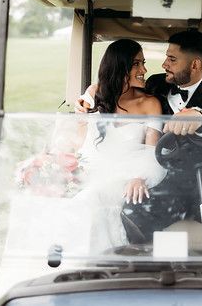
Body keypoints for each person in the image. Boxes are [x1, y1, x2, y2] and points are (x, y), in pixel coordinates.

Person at [76, 30, 202, 256]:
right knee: (133, 210)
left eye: (172, 59)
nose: (164, 64)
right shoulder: (158, 84)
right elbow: (117, 84)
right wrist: (91, 92)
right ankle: (148, 272)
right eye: (166, 57)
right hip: (169, 176)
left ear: (195, 64)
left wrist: (200, 115)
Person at [74, 38, 166, 254]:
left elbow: (152, 152)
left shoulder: (150, 104)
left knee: (92, 198)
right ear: (118, 66)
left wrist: (139, 176)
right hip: (91, 171)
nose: (144, 69)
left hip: (125, 177)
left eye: (143, 62)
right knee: (84, 195)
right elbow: (80, 142)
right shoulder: (93, 93)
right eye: (137, 64)